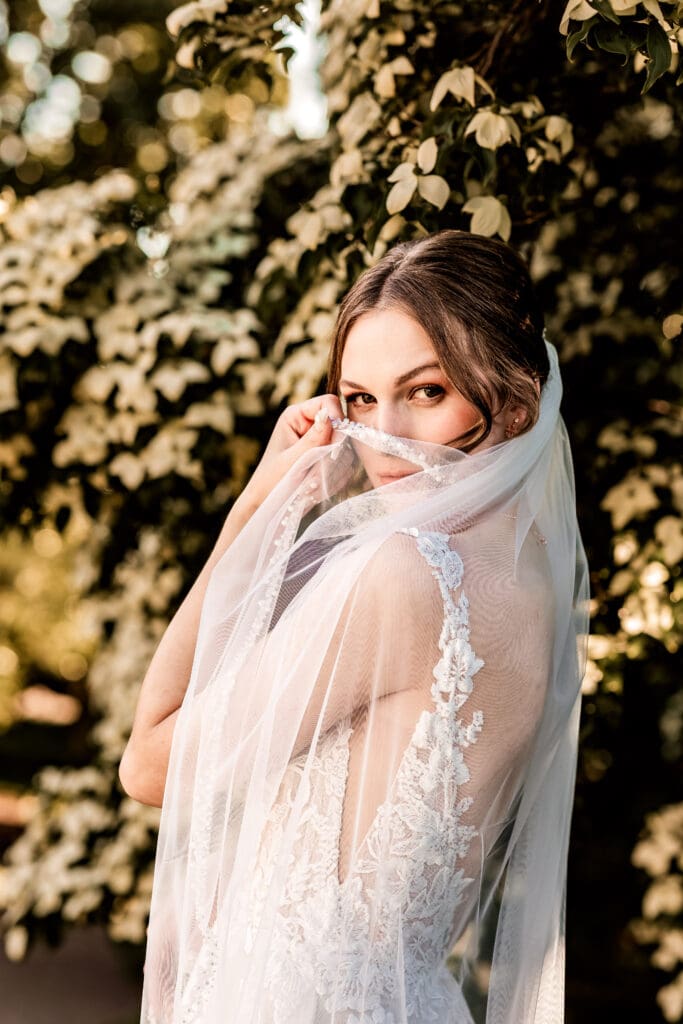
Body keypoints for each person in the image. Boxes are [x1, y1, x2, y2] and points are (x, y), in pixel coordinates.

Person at [120, 229, 589, 1024]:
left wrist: (259, 503)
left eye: (426, 391)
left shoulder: (398, 576)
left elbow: (149, 764)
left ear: (516, 403)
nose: (385, 438)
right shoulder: (536, 583)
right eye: (362, 399)